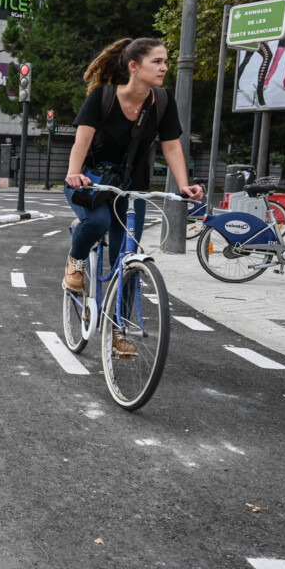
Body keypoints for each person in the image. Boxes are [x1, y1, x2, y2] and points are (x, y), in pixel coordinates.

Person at [62, 38, 203, 348]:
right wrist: (74, 174)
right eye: (157, 61)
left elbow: (171, 146)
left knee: (127, 260)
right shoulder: (102, 97)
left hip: (131, 190)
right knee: (97, 223)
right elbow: (82, 141)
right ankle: (76, 259)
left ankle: (118, 331)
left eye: (166, 60)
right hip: (90, 184)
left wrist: (183, 184)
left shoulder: (162, 101)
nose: (165, 67)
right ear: (134, 67)